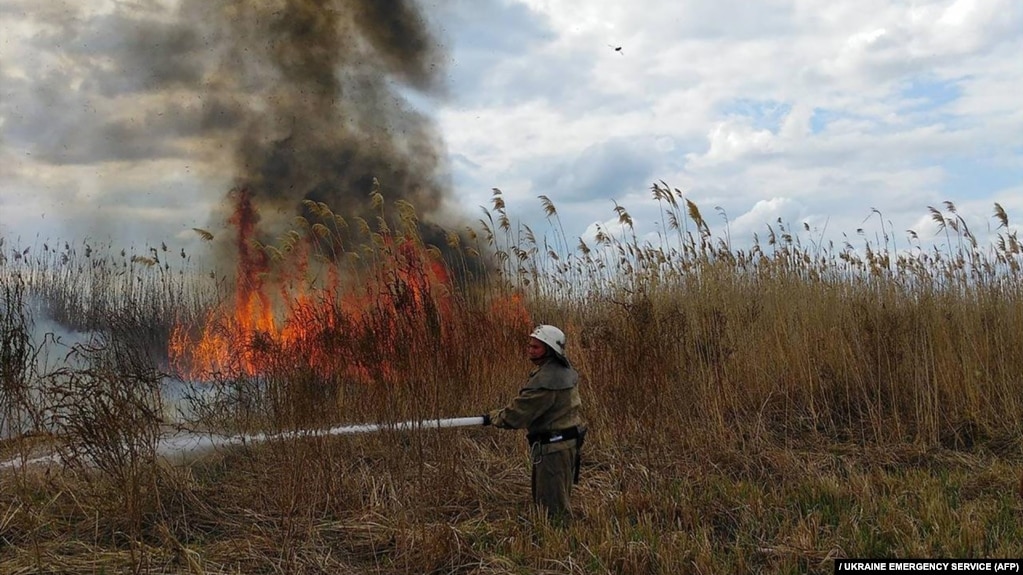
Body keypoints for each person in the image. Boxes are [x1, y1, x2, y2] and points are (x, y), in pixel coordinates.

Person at [482, 324, 587, 524]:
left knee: (553, 509)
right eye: (529, 346)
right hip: (564, 444)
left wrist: (494, 417)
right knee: (553, 500)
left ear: (550, 349)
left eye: (536, 347)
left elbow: (516, 415)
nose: (530, 350)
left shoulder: (547, 381)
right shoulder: (561, 372)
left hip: (554, 449)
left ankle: (561, 548)